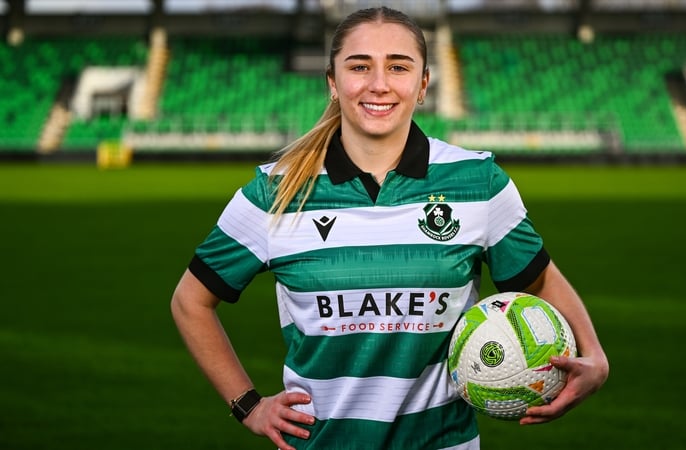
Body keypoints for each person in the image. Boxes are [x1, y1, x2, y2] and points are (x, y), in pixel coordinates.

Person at [171, 6, 608, 450]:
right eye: (359, 66)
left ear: (422, 84)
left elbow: (539, 278)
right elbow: (191, 301)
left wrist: (595, 357)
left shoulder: (479, 182)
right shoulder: (275, 190)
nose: (378, 84)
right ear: (333, 82)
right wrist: (248, 405)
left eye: (398, 67)